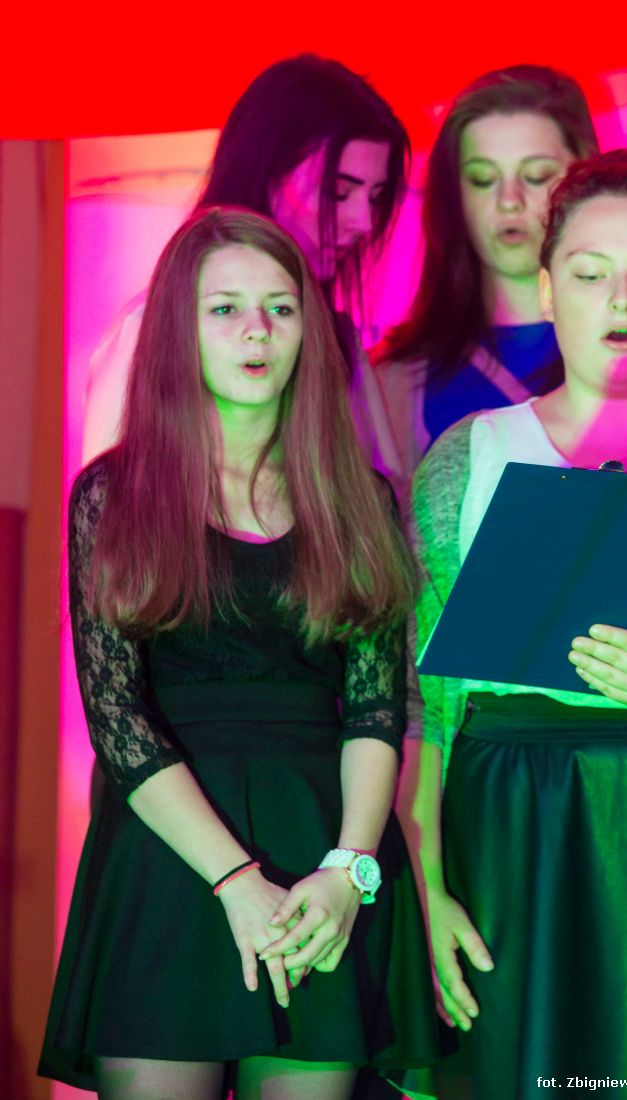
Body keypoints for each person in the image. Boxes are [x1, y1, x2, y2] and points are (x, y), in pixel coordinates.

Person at [39, 208, 437, 1099]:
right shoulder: (115, 493)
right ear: (176, 332)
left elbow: (375, 711)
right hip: (172, 856)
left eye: (280, 308)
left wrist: (349, 871)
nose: (257, 330)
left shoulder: (359, 498)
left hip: (321, 858)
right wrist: (233, 880)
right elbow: (117, 717)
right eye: (224, 309)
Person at [399, 149, 627, 1099]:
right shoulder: (472, 456)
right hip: (509, 830)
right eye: (588, 275)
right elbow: (421, 700)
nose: (619, 300)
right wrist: (426, 883)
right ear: (546, 290)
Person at [82, 54, 409, 482]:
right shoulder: (152, 326)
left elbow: (383, 494)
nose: (363, 221)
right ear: (267, 171)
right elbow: (104, 503)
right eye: (338, 191)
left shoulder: (338, 338)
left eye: (375, 197)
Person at [374, 64, 599, 494]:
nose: (509, 201)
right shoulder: (393, 386)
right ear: (454, 194)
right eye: (482, 179)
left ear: (584, 176)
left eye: (536, 176)